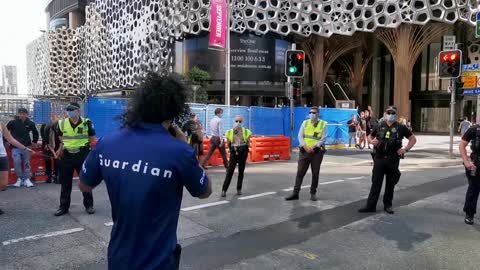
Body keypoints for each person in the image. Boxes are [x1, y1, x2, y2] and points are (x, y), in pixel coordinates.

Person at [79, 74, 212, 270]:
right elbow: (204, 191)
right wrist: (186, 147)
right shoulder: (179, 151)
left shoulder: (107, 142)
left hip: (119, 258)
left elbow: (84, 184)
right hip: (159, 262)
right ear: (174, 109)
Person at [358, 106, 417, 214]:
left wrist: (405, 149)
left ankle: (388, 205)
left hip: (393, 159)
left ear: (396, 114)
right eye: (389, 112)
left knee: (390, 184)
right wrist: (372, 142)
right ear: (385, 114)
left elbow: (413, 139)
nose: (391, 115)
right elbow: (370, 136)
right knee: (376, 183)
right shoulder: (379, 125)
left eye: (393, 113)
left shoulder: (401, 127)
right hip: (379, 158)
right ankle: (370, 206)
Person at [54, 102, 96, 217]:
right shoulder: (61, 123)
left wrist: (93, 154)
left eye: (72, 110)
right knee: (65, 183)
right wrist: (60, 149)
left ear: (78, 111)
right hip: (67, 156)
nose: (70, 113)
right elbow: (61, 139)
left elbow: (92, 139)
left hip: (82, 155)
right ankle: (63, 207)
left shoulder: (87, 122)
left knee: (85, 181)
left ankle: (89, 205)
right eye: (68, 110)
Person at [285, 107, 328, 201]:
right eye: (310, 112)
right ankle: (295, 193)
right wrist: (305, 146)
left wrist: (314, 146)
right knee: (300, 172)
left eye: (314, 112)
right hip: (304, 151)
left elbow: (323, 138)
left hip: (316, 152)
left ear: (318, 114)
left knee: (315, 173)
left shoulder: (323, 124)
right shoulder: (305, 123)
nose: (312, 114)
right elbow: (300, 136)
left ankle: (313, 193)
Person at [0, 122, 34, 215]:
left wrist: (25, 148)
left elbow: (11, 139)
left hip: (2, 156)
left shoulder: (1, 124)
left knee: (3, 184)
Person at [7, 108, 39, 188]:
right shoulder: (12, 123)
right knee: (16, 162)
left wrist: (34, 142)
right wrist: (6, 141)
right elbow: (5, 132)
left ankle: (27, 179)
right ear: (18, 114)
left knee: (27, 163)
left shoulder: (30, 123)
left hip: (27, 146)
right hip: (15, 147)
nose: (22, 115)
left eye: (24, 113)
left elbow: (35, 133)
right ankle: (19, 179)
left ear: (27, 114)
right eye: (20, 113)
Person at [221, 115, 252, 197]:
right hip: (234, 152)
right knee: (230, 171)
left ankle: (239, 189)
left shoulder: (247, 132)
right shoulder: (229, 132)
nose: (238, 123)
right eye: (236, 121)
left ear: (242, 122)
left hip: (243, 152)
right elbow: (228, 143)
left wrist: (244, 149)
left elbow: (248, 143)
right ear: (234, 121)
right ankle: (224, 190)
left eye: (240, 121)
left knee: (241, 171)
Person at [459, 125, 480, 225]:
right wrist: (466, 161)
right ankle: (469, 214)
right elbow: (462, 145)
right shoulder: (475, 129)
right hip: (477, 165)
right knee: (473, 190)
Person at [40, 112, 60, 183]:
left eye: (54, 116)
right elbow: (44, 137)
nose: (53, 117)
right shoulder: (45, 125)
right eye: (51, 116)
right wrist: (47, 145)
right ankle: (49, 176)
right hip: (47, 145)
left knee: (57, 161)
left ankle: (56, 176)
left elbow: (61, 138)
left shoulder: (60, 125)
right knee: (47, 160)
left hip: (57, 145)